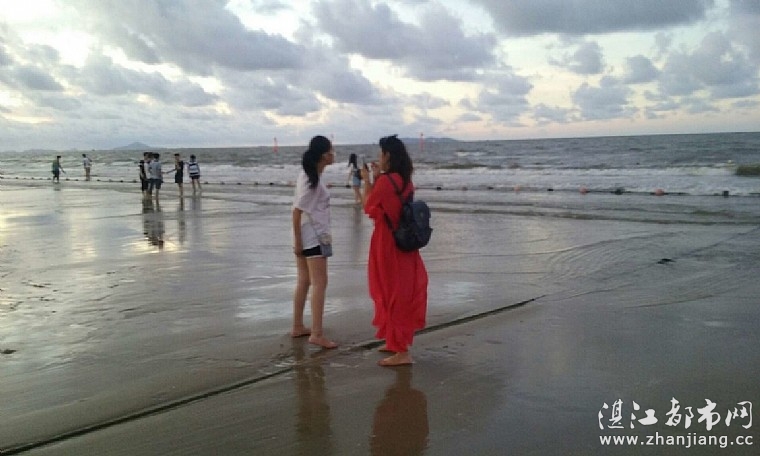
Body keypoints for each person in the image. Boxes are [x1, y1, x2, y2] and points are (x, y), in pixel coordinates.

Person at [361, 135, 428, 366]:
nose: (379, 157)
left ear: (387, 155)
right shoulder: (405, 181)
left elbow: (368, 207)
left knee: (390, 292)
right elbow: (393, 206)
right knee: (399, 290)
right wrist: (377, 177)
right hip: (404, 243)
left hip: (386, 243)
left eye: (381, 153)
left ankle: (402, 352)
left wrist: (367, 181)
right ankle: (394, 341)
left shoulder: (385, 182)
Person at [291, 135, 337, 349]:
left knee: (305, 281)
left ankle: (298, 325)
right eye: (331, 151)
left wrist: (298, 240)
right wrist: (298, 242)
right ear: (324, 155)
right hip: (313, 236)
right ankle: (317, 333)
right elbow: (297, 211)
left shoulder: (308, 175)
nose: (333, 154)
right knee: (319, 282)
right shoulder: (312, 181)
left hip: (308, 234)